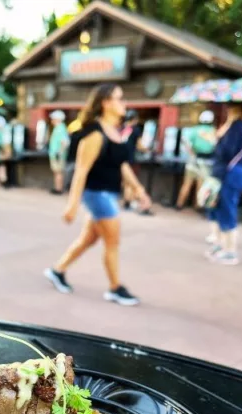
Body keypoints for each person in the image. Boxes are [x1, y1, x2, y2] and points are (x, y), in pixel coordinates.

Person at [44, 83, 151, 306]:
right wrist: (72, 205)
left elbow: (122, 166)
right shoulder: (94, 134)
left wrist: (139, 190)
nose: (124, 103)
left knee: (89, 239)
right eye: (119, 98)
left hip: (110, 193)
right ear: (105, 103)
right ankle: (115, 288)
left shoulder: (116, 132)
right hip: (97, 195)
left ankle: (58, 270)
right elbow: (81, 171)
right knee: (113, 242)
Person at [206, 103, 242, 266]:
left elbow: (225, 151)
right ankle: (224, 247)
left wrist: (217, 139)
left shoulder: (236, 126)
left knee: (226, 208)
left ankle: (230, 250)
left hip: (229, 172)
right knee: (228, 206)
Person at [175, 109, 217, 211]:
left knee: (187, 183)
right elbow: (215, 144)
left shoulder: (194, 130)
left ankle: (179, 204)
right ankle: (198, 206)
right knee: (201, 184)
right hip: (205, 161)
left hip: (193, 159)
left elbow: (185, 140)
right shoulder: (213, 131)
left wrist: (191, 151)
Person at [120, 109, 152, 214]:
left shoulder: (122, 128)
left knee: (125, 182)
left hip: (119, 158)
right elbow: (139, 145)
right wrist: (148, 150)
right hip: (129, 158)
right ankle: (129, 202)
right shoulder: (135, 129)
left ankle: (127, 202)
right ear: (135, 119)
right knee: (130, 181)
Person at [47, 110, 69, 194]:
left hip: (58, 155)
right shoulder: (58, 128)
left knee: (58, 172)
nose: (52, 120)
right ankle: (57, 188)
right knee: (57, 172)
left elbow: (65, 142)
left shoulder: (60, 128)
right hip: (56, 154)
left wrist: (59, 152)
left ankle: (58, 189)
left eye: (53, 118)